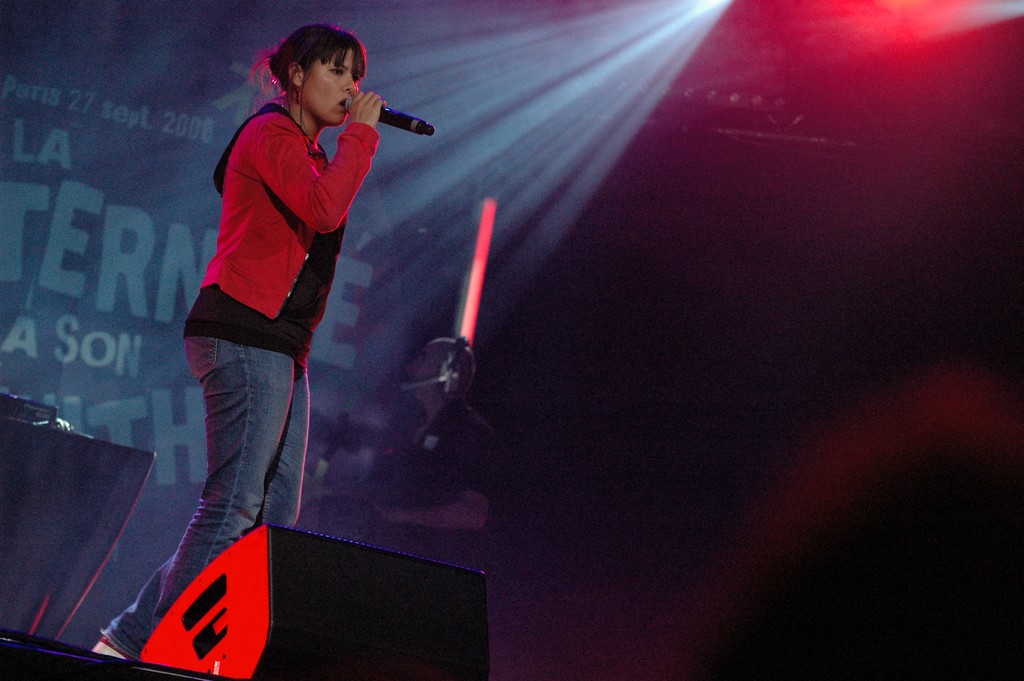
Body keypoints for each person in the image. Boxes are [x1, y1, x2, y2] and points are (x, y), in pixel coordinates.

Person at [93, 23, 384, 659]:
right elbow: (324, 211)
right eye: (335, 71)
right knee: (233, 507)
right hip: (243, 331)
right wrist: (361, 135)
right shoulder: (269, 133)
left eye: (356, 76)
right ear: (298, 76)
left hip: (281, 345)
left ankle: (129, 639)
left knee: (270, 521)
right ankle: (154, 651)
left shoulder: (309, 151)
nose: (351, 86)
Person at [306, 337, 495, 561]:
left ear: (448, 371)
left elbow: (473, 514)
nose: (411, 365)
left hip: (432, 561)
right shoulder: (409, 427)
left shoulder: (469, 431)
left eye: (423, 358)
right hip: (389, 549)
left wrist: (401, 516)